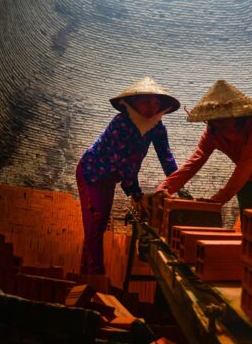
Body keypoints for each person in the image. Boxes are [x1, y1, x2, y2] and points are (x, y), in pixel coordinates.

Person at [76, 77, 180, 281]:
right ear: (134, 102)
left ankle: (84, 278)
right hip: (91, 173)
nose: (152, 106)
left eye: (156, 102)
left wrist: (178, 185)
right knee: (95, 226)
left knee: (97, 227)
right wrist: (137, 194)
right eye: (146, 101)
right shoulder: (121, 122)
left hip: (109, 179)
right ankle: (97, 281)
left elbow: (166, 156)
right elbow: (122, 162)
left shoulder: (158, 127)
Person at [156, 80, 252, 225]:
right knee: (248, 220)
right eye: (215, 120)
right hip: (250, 176)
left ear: (236, 115)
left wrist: (218, 199)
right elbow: (194, 162)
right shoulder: (212, 133)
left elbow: (246, 163)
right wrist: (165, 188)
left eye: (224, 119)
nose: (220, 124)